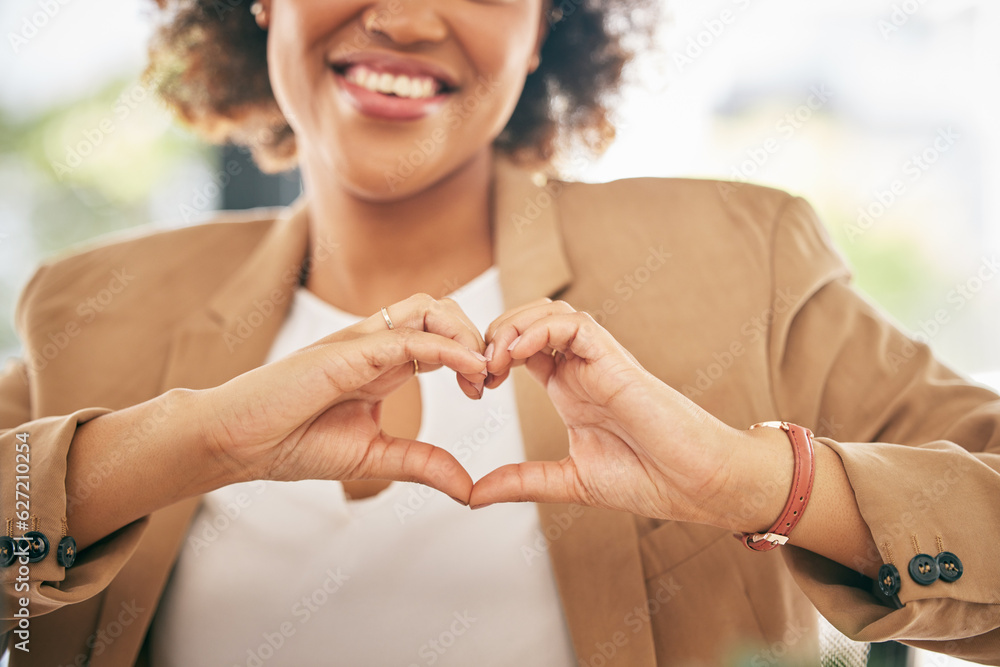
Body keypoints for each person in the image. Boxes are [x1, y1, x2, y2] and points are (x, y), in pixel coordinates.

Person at [1, 0, 999, 664]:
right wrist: (185, 444)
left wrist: (756, 482)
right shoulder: (92, 303)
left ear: (543, 20)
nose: (402, 15)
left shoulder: (740, 259)